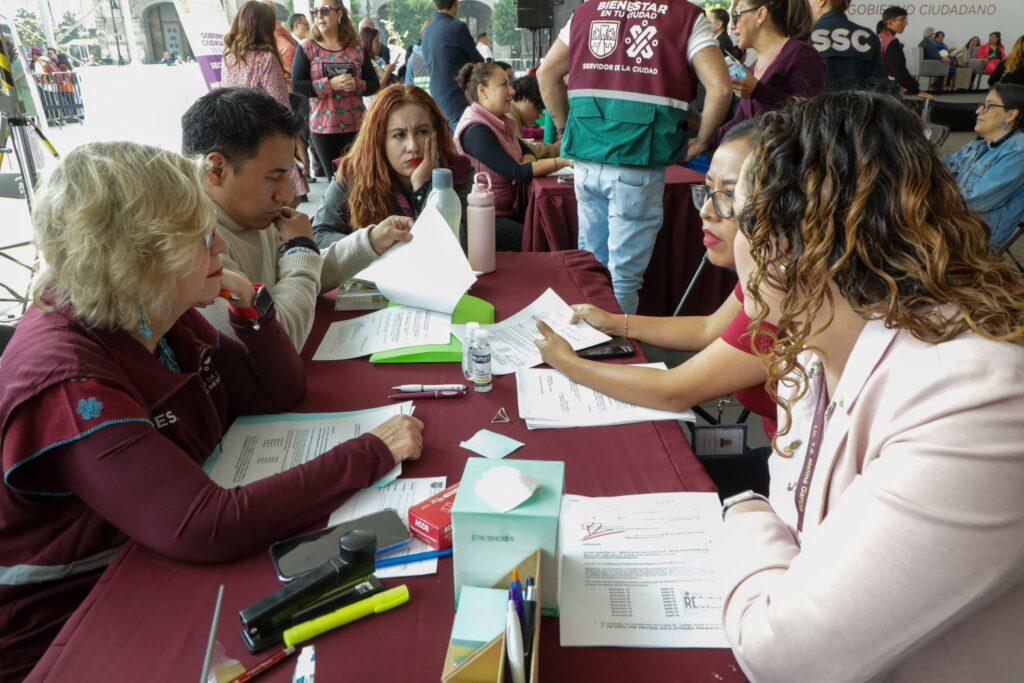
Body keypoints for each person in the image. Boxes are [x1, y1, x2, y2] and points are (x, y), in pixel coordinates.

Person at [0, 142, 425, 683]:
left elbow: (277, 393)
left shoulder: (153, 309)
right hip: (68, 625)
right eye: (202, 238)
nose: (222, 244)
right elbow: (204, 524)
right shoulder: (66, 376)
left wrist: (252, 305)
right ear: (137, 258)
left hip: (151, 564)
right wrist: (372, 450)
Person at [719, 89, 1024, 683]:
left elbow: (783, 655)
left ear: (791, 239)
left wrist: (739, 509)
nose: (733, 243)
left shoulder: (975, 401)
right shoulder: (820, 349)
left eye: (738, 212)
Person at [534, 119, 775, 497]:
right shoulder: (765, 278)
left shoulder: (784, 300)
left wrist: (569, 364)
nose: (706, 212)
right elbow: (708, 330)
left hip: (792, 485)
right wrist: (619, 322)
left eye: (729, 195)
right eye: (708, 190)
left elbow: (674, 390)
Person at [538, 0, 731, 314]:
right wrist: (702, 140)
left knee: (591, 265)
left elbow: (546, 74)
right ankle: (615, 351)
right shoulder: (686, 16)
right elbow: (721, 88)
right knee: (623, 279)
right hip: (638, 162)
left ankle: (590, 343)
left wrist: (565, 128)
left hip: (587, 159)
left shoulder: (586, 11)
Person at [181, 87, 411, 350]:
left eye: (288, 175)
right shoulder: (199, 246)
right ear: (217, 169)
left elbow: (296, 273)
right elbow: (277, 342)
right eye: (273, 177)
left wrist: (369, 242)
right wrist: (300, 246)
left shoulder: (253, 214)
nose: (287, 194)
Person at [314, 84, 472, 249]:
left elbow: (463, 245)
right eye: (399, 135)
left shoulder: (458, 171)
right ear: (379, 141)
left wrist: (424, 190)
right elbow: (319, 234)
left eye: (422, 131)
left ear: (436, 134)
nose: (413, 146)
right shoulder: (354, 172)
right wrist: (372, 242)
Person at [454, 62, 570, 251]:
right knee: (544, 241)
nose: (512, 91)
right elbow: (516, 171)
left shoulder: (498, 122)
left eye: (510, 84)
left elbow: (526, 151)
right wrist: (564, 161)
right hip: (481, 221)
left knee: (552, 230)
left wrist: (528, 160)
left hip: (501, 212)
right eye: (504, 85)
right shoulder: (476, 130)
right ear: (483, 91)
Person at [222, 0, 309, 204]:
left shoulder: (229, 57)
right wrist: (297, 143)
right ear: (265, 27)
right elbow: (282, 109)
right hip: (267, 139)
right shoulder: (265, 59)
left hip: (238, 140)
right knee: (288, 199)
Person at [291, 0, 379, 179]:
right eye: (315, 11)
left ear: (339, 14)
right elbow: (296, 85)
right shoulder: (307, 47)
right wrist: (329, 85)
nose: (319, 16)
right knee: (336, 183)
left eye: (324, 10)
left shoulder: (357, 47)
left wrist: (357, 84)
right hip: (324, 128)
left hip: (357, 126)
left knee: (361, 181)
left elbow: (374, 84)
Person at [716, 0, 825, 143]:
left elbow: (812, 116)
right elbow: (739, 121)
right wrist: (701, 141)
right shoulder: (753, 67)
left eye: (737, 14)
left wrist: (758, 91)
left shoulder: (800, 54)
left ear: (761, 14)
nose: (732, 24)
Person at [944, 83, 1024, 249]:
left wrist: (926, 192)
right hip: (950, 223)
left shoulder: (1019, 152)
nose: (978, 111)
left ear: (1010, 115)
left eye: (989, 105)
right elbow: (937, 170)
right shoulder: (977, 146)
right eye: (982, 104)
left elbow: (974, 202)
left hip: (973, 241)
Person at [421, 0, 483, 130]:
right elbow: (478, 61)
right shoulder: (457, 27)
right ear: (456, 3)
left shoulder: (426, 30)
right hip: (459, 101)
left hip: (438, 100)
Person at [809, 0, 886, 91]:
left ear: (821, 1)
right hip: (860, 104)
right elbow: (880, 87)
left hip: (816, 104)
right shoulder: (868, 36)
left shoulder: (806, 35)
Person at [877, 5, 932, 99]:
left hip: (874, 87)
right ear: (890, 22)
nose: (906, 23)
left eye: (906, 19)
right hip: (886, 90)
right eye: (902, 19)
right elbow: (899, 69)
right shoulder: (891, 41)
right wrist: (915, 90)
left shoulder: (879, 37)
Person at [509, 75, 559, 159]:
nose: (538, 117)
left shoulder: (512, 114)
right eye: (538, 109)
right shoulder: (509, 116)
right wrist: (554, 149)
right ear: (525, 98)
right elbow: (520, 149)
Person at [361, 26, 395, 108]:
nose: (379, 45)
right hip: (374, 104)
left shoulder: (378, 59)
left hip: (385, 101)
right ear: (368, 43)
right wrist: (387, 72)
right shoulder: (366, 63)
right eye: (377, 41)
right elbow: (376, 88)